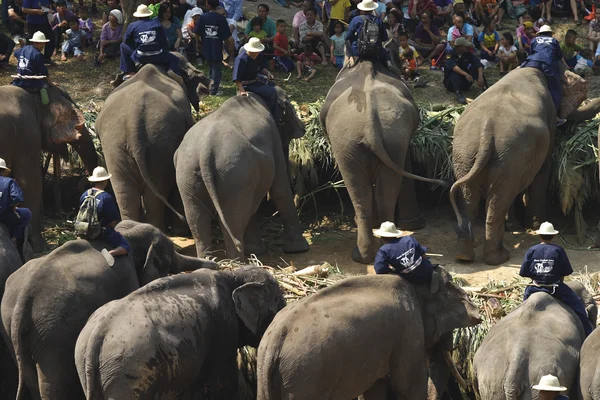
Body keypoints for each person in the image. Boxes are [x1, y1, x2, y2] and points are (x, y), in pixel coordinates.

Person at [520, 221, 594, 337]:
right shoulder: (558, 250)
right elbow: (566, 272)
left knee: (521, 310)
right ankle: (589, 334)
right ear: (554, 236)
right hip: (556, 288)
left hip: (533, 288)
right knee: (580, 309)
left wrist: (538, 277)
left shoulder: (532, 250)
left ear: (539, 235)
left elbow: (524, 272)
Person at [117, 4, 183, 86]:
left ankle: (130, 72)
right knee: (175, 59)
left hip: (141, 56)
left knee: (123, 45)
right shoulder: (157, 23)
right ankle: (172, 71)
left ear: (138, 16)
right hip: (158, 55)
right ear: (149, 15)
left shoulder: (132, 25)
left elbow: (126, 41)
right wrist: (165, 52)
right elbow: (164, 41)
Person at [80, 167, 130, 258]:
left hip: (84, 230)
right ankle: (111, 253)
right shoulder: (106, 197)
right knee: (126, 246)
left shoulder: (85, 194)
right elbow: (112, 219)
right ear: (106, 180)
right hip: (101, 233)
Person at [521, 25, 565, 124]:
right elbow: (558, 56)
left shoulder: (534, 40)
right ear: (550, 34)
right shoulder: (553, 41)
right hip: (547, 64)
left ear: (539, 34)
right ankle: (555, 116)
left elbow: (532, 52)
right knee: (556, 89)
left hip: (532, 61)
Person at [233, 37, 281, 121]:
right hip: (246, 84)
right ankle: (273, 115)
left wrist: (268, 73)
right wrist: (242, 90)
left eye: (256, 51)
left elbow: (261, 68)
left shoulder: (259, 56)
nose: (255, 53)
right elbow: (237, 79)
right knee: (272, 92)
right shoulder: (241, 59)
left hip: (256, 79)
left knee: (272, 84)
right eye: (253, 51)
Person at [373, 221, 436, 286]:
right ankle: (431, 275)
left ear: (382, 237)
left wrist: (391, 271)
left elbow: (380, 270)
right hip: (427, 269)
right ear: (395, 233)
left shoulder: (383, 251)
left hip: (410, 279)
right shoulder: (409, 239)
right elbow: (423, 254)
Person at [195, 0, 235, 95]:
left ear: (208, 5)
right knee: (216, 69)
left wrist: (197, 43)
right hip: (217, 47)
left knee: (211, 67)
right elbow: (227, 37)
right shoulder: (221, 18)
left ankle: (210, 86)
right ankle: (214, 90)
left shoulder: (203, 17)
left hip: (206, 46)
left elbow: (197, 32)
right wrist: (230, 49)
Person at [0, 158, 32, 262]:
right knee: (27, 213)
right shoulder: (9, 182)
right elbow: (18, 198)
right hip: (5, 215)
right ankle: (15, 238)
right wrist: (13, 207)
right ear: (3, 171)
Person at [12, 31, 54, 99]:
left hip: (19, 81)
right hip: (31, 82)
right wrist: (50, 82)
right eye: (41, 44)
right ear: (35, 43)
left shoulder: (24, 48)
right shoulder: (37, 54)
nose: (42, 46)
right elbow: (44, 71)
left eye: (43, 44)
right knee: (45, 87)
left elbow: (16, 53)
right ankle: (45, 105)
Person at [444, 37, 485, 104]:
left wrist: (480, 76)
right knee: (454, 74)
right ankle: (458, 94)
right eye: (465, 46)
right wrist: (466, 74)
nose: (467, 47)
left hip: (465, 82)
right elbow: (453, 66)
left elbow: (478, 64)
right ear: (459, 47)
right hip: (451, 84)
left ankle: (485, 88)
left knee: (475, 69)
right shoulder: (450, 53)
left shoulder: (467, 54)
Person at [22, 0, 54, 64]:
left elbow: (49, 5)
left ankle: (46, 58)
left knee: (51, 39)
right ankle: (32, 58)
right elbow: (24, 9)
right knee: (33, 42)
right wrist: (37, 11)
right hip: (33, 23)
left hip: (44, 22)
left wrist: (49, 11)